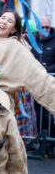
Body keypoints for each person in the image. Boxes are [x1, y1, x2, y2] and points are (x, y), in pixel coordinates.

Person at [0, 0, 55, 115]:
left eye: (9, 21)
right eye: (3, 18)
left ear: (14, 29)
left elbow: (39, 78)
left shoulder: (16, 48)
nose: (4, 21)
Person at [31, 15, 55, 157]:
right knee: (38, 115)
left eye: (47, 27)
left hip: (50, 83)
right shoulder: (32, 39)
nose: (44, 30)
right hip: (36, 84)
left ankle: (52, 146)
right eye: (42, 27)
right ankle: (41, 143)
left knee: (50, 115)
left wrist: (46, 69)